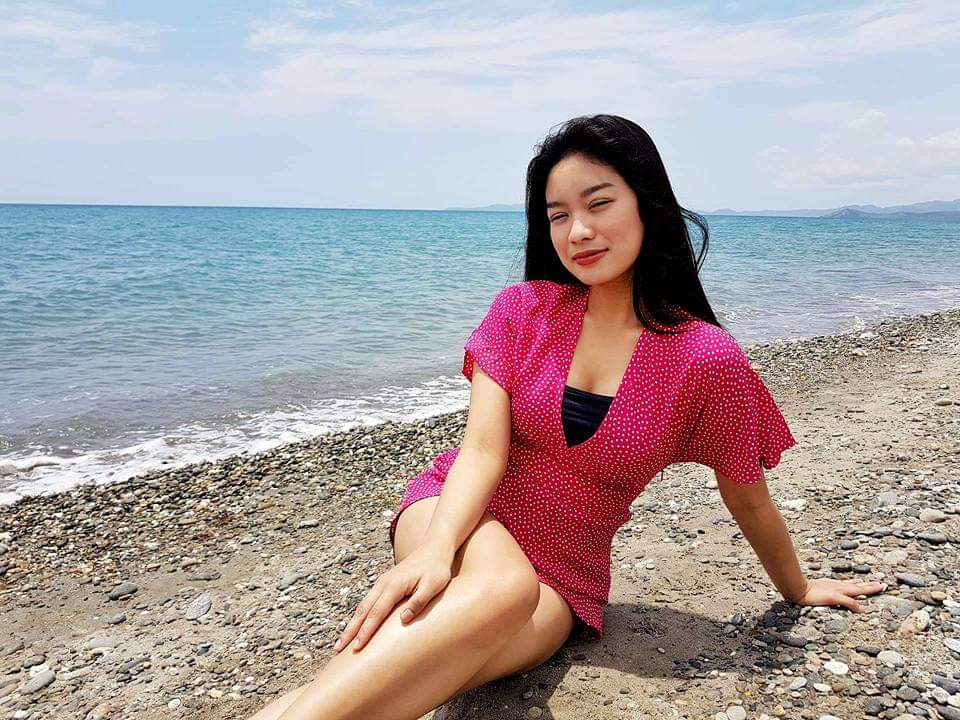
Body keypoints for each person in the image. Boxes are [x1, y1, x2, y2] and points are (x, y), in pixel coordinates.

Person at [246, 114, 886, 720]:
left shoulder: (703, 358)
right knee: (500, 591)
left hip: (565, 575)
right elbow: (481, 452)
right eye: (558, 215)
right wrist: (437, 550)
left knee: (417, 675)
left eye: (598, 203)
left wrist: (797, 589)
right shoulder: (523, 310)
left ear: (647, 204)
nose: (577, 230)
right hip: (458, 513)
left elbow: (747, 497)